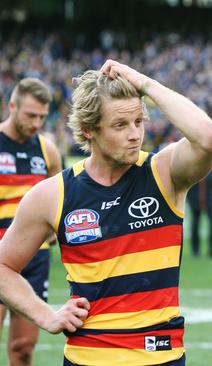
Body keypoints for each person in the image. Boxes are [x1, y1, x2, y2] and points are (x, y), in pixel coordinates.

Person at [0, 60, 212, 365]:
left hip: (161, 357)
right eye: (120, 125)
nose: (135, 135)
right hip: (88, 358)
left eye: (138, 122)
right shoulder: (53, 195)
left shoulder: (164, 173)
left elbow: (208, 137)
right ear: (89, 130)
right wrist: (46, 315)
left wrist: (146, 85)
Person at [0, 78, 62, 366]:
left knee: (24, 348)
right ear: (12, 106)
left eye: (42, 116)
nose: (37, 123)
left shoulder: (48, 151)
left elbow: (57, 201)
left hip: (35, 259)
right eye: (30, 115)